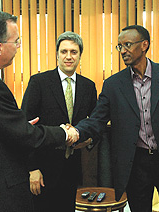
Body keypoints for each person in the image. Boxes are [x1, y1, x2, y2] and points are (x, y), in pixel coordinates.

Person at [0, 11, 77, 212]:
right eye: (16, 41)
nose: (18, 47)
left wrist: (18, 127)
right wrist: (64, 133)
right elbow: (25, 136)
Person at [73, 25, 159, 212]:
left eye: (127, 45)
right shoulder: (113, 85)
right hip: (135, 164)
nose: (122, 51)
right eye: (119, 46)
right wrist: (76, 131)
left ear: (144, 45)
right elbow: (96, 120)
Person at [21, 31, 97, 212]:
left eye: (74, 52)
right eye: (64, 52)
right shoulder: (39, 82)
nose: (69, 56)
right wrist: (32, 169)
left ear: (80, 55)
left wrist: (88, 140)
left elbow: (95, 124)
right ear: (57, 54)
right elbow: (24, 128)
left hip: (71, 170)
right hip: (42, 171)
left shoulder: (88, 86)